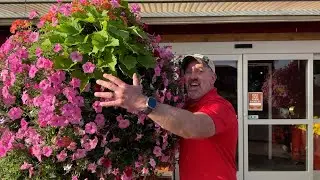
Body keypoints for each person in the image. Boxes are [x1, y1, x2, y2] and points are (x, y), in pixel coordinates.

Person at [94, 54, 238, 180]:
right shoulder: (185, 105)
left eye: (200, 71)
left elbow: (192, 127)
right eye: (188, 72)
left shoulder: (221, 107)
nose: (192, 76)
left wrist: (141, 102)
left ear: (213, 78)